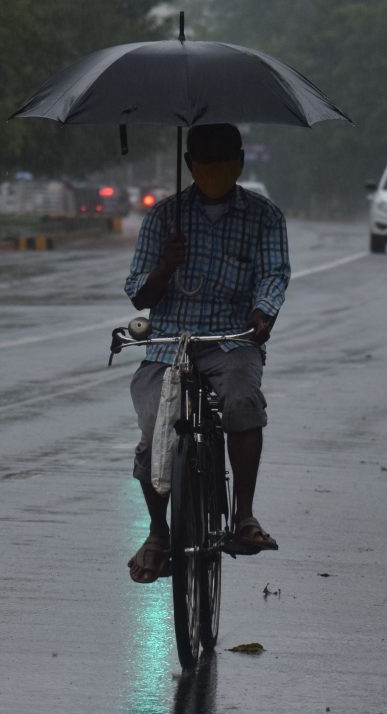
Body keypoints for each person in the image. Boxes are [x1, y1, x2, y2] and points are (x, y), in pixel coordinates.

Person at [123, 123, 289, 584]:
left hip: (231, 340)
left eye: (223, 161)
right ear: (190, 164)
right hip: (169, 344)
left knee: (241, 401)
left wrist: (263, 313)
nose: (214, 170)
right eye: (205, 161)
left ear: (239, 161)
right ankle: (158, 534)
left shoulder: (264, 217)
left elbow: (274, 275)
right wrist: (165, 265)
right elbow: (139, 293)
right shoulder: (163, 219)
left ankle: (244, 516)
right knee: (155, 430)